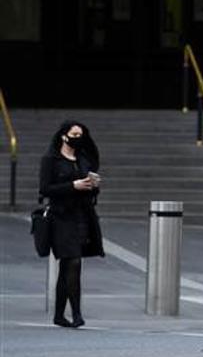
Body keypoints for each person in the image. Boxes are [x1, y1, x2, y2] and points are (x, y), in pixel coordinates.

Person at [39, 121, 104, 328]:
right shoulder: (51, 159)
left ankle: (59, 315)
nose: (78, 138)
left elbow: (90, 188)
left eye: (81, 135)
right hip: (60, 217)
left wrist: (93, 185)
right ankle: (77, 313)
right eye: (74, 134)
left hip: (81, 216)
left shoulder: (83, 159)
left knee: (68, 266)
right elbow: (45, 189)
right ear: (63, 136)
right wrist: (72, 186)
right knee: (74, 261)